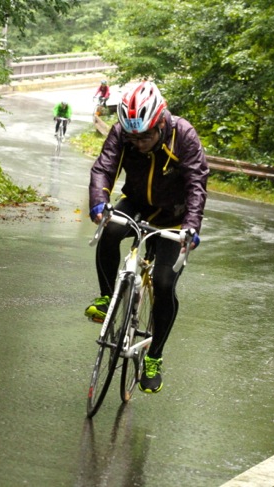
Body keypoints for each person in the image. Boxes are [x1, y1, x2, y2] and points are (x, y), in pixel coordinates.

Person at [86, 81, 209, 393]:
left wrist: (191, 226)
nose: (138, 143)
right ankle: (105, 298)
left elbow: (197, 183)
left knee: (165, 283)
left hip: (174, 216)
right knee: (111, 229)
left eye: (145, 136)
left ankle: (154, 356)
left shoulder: (184, 135)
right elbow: (104, 168)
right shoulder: (121, 133)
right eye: (132, 137)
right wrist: (99, 202)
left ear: (160, 122)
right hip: (138, 204)